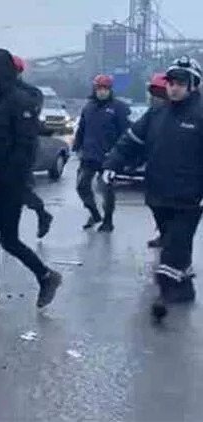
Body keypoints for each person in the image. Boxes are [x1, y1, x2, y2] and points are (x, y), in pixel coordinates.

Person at [0, 48, 62, 313]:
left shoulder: (19, 101)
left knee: (8, 239)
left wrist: (12, 180)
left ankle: (46, 276)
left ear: (0, 73)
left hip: (8, 182)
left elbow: (24, 148)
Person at [103, 56, 202, 314]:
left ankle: (164, 296)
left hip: (190, 198)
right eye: (171, 82)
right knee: (173, 243)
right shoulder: (157, 114)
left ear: (193, 85)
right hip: (158, 194)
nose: (174, 88)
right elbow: (130, 142)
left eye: (181, 83)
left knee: (174, 247)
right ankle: (184, 289)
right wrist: (112, 164)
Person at [73, 74, 131, 232]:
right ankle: (94, 213)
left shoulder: (119, 108)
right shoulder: (88, 107)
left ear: (110, 90)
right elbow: (82, 129)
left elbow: (125, 132)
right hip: (89, 155)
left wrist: (121, 154)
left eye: (105, 88)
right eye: (99, 88)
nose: (102, 91)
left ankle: (108, 220)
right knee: (82, 186)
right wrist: (77, 147)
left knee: (107, 190)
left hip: (109, 157)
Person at [13, 55, 54, 238]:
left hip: (23, 147)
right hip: (3, 147)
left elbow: (29, 118)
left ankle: (42, 213)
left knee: (20, 188)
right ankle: (8, 230)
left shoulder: (31, 93)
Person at [145, 73, 169, 248]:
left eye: (160, 94)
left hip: (180, 174)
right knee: (155, 205)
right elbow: (133, 138)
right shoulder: (151, 115)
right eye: (154, 94)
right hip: (155, 171)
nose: (156, 98)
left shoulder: (186, 114)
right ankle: (163, 233)